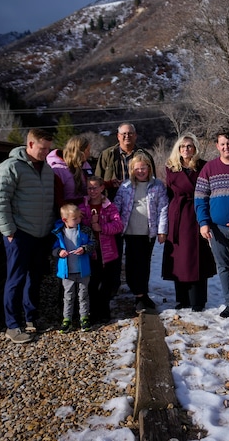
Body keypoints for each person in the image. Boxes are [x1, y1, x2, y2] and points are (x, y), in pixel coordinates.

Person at [0, 128, 56, 344]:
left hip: (41, 233)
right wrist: (8, 230)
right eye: (42, 148)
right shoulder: (10, 167)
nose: (46, 152)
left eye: (49, 148)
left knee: (34, 278)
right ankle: (12, 325)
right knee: (16, 280)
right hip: (20, 234)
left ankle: (31, 318)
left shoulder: (46, 169)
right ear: (29, 145)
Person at [94, 122, 156, 296]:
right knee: (112, 254)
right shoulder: (107, 155)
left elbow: (153, 184)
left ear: (135, 136)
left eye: (130, 133)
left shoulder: (144, 155)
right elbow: (97, 182)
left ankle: (139, 291)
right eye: (123, 134)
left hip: (138, 212)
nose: (127, 136)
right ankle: (110, 290)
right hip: (111, 212)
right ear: (118, 136)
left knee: (137, 255)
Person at [194, 127, 229, 319]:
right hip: (216, 229)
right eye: (222, 144)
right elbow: (200, 198)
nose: (226, 147)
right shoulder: (209, 168)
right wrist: (203, 222)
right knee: (223, 267)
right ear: (217, 146)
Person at [162, 133, 216, 312]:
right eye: (182, 146)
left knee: (197, 257)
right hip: (177, 214)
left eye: (189, 146)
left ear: (195, 149)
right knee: (179, 258)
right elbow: (168, 193)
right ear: (178, 149)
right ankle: (182, 298)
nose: (186, 149)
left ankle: (198, 300)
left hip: (196, 213)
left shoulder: (203, 166)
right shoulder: (171, 167)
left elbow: (210, 190)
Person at [114, 153, 168, 313]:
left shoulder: (157, 186)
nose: (140, 171)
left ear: (149, 168)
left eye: (143, 168)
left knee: (144, 265)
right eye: (137, 168)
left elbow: (163, 208)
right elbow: (117, 206)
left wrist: (162, 230)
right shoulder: (125, 186)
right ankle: (139, 295)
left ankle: (142, 295)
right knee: (132, 264)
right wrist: (114, 224)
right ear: (132, 170)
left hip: (148, 232)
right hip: (130, 231)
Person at [79, 176, 124, 322]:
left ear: (102, 188)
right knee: (91, 283)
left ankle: (104, 311)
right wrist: (89, 223)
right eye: (89, 188)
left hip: (107, 252)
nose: (92, 191)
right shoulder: (83, 207)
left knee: (106, 283)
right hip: (90, 252)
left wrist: (102, 228)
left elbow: (118, 226)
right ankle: (92, 311)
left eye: (95, 187)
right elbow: (78, 226)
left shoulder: (109, 207)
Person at [52, 204, 96, 332]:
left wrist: (84, 249)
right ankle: (67, 319)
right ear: (65, 220)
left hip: (83, 270)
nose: (78, 220)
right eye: (75, 218)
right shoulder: (58, 233)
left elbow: (93, 243)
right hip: (67, 271)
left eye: (79, 218)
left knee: (83, 295)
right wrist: (59, 252)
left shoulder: (84, 230)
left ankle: (84, 317)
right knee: (68, 295)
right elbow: (54, 249)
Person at [47, 134, 93, 207]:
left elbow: (92, 184)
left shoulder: (85, 165)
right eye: (87, 150)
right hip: (69, 214)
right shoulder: (58, 170)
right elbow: (57, 198)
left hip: (86, 211)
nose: (89, 153)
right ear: (79, 152)